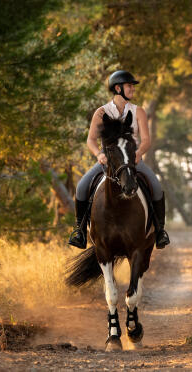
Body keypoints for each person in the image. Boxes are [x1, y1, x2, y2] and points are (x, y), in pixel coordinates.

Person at [68, 70, 170, 249]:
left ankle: (160, 230)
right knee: (82, 186)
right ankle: (80, 231)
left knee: (156, 186)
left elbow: (146, 140)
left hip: (133, 160)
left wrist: (138, 154)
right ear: (118, 88)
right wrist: (98, 154)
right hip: (107, 162)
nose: (132, 89)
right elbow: (91, 140)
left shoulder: (139, 112)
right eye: (129, 86)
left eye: (132, 86)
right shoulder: (101, 113)